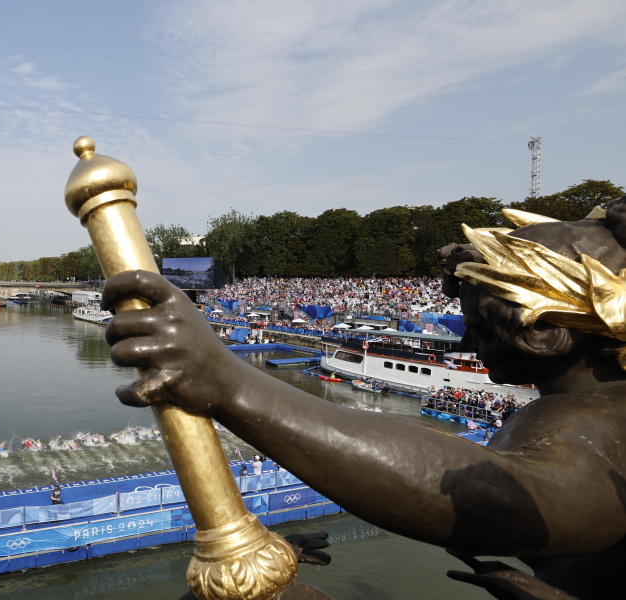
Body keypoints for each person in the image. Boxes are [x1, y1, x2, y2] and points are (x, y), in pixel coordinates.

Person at [100, 201, 626, 600]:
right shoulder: (592, 409)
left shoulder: (598, 418)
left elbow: (511, 503)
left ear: (542, 330)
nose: (467, 343)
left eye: (479, 329)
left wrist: (232, 384)